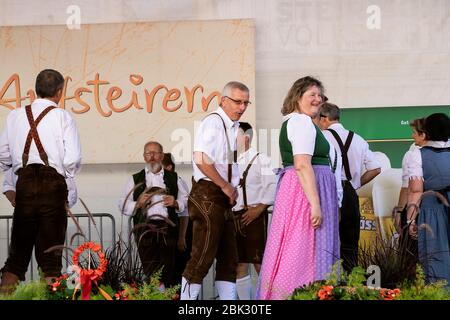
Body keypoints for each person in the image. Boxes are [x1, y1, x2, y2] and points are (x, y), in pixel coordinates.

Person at [256, 76, 340, 300]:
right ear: (297, 97)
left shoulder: (300, 122)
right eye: (311, 94)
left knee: (299, 246)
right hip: (305, 193)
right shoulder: (300, 122)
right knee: (302, 248)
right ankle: (297, 294)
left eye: (319, 95)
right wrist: (315, 204)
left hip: (303, 189)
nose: (317, 99)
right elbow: (302, 164)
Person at [0, 69, 82, 294]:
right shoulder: (63, 116)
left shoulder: (16, 115)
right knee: (50, 262)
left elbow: (3, 154)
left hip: (25, 184)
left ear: (36, 89)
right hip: (52, 186)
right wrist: (63, 176)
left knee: (16, 260)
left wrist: (18, 167)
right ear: (59, 92)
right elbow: (72, 158)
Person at [181, 81, 250, 300]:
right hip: (208, 194)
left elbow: (224, 163)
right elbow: (200, 159)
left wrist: (230, 186)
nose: (242, 107)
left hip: (222, 197)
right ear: (224, 100)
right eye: (237, 102)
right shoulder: (213, 122)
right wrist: (225, 185)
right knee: (202, 257)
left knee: (229, 258)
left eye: (246, 103)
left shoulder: (231, 127)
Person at [318, 102, 381, 272]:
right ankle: (351, 284)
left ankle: (326, 287)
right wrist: (354, 184)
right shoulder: (358, 138)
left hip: (325, 192)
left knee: (325, 242)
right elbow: (376, 168)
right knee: (350, 242)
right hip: (349, 193)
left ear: (324, 118)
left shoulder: (320, 137)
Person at [119, 141, 188, 288]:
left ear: (162, 156)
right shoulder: (134, 179)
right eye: (148, 153)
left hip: (167, 228)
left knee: (168, 268)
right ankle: (158, 295)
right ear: (144, 156)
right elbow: (122, 204)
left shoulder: (174, 178)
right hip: (144, 228)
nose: (152, 156)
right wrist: (138, 204)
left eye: (155, 153)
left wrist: (175, 202)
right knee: (150, 268)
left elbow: (186, 200)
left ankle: (165, 294)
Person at [232, 122, 276, 300]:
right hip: (234, 217)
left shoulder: (262, 159)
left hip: (255, 217)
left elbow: (273, 186)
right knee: (239, 264)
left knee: (260, 263)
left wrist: (259, 208)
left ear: (246, 137)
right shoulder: (230, 161)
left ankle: (267, 301)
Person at [406, 113, 450, 286]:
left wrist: (410, 219)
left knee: (435, 256)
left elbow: (416, 190)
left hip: (432, 209)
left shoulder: (417, 155)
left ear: (427, 132)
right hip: (437, 204)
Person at [161, 152, 192, 291]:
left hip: (180, 231)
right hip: (166, 233)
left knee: (179, 270)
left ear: (169, 167)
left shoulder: (178, 181)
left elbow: (185, 212)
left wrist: (181, 237)